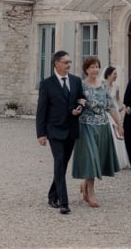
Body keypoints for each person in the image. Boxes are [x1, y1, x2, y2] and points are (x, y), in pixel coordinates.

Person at [36, 50, 85, 214]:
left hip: (71, 129)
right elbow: (41, 111)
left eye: (69, 62)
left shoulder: (76, 81)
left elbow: (81, 99)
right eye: (65, 62)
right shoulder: (46, 84)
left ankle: (52, 194)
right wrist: (40, 134)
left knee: (62, 164)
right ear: (56, 63)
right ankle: (63, 202)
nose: (69, 65)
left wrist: (80, 109)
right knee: (59, 161)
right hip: (54, 130)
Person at [72, 56, 122, 207]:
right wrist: (78, 107)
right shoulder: (80, 86)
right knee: (91, 158)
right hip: (86, 125)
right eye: (92, 67)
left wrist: (119, 125)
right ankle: (92, 193)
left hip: (102, 125)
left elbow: (110, 106)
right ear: (86, 69)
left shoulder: (103, 86)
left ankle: (84, 185)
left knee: (96, 159)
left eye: (97, 66)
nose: (95, 69)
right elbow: (76, 104)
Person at [103, 65, 130, 169]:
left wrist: (123, 106)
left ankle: (118, 160)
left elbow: (118, 100)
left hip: (115, 112)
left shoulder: (116, 87)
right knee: (109, 135)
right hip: (106, 113)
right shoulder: (102, 86)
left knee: (117, 135)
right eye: (114, 74)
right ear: (108, 74)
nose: (116, 76)